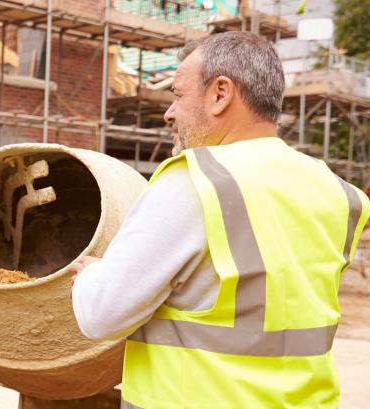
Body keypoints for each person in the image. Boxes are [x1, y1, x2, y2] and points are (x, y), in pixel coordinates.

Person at [69, 31, 370, 408]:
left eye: (178, 94)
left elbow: (101, 314)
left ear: (220, 93)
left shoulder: (196, 182)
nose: (169, 113)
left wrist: (94, 275)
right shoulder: (338, 192)